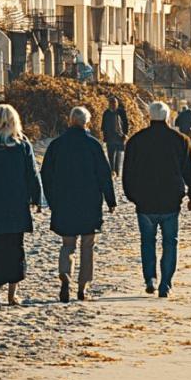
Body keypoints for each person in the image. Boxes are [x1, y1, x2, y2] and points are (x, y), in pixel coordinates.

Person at [123, 101, 191, 298]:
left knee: (147, 241)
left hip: (145, 201)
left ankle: (150, 279)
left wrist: (132, 195)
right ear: (167, 117)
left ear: (149, 116)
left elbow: (128, 173)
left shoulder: (136, 140)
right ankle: (166, 283)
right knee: (170, 242)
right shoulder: (181, 140)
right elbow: (190, 170)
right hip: (170, 201)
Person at [41, 106, 116, 302]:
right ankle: (83, 286)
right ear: (86, 122)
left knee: (68, 244)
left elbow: (46, 173)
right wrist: (110, 200)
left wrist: (51, 198)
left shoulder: (57, 144)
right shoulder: (93, 145)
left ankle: (65, 273)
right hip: (89, 201)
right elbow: (104, 174)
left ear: (70, 120)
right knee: (88, 245)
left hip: (64, 201)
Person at [0, 104, 42, 309]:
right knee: (15, 248)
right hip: (16, 204)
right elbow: (31, 172)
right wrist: (37, 198)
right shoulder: (21, 144)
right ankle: (12, 295)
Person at [100, 97, 127, 176]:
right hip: (110, 137)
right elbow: (103, 126)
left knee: (119, 154)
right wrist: (104, 136)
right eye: (112, 103)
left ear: (117, 104)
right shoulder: (106, 113)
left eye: (115, 103)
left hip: (120, 137)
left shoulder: (121, 112)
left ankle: (117, 172)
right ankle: (112, 171)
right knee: (111, 155)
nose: (114, 104)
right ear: (109, 104)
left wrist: (125, 134)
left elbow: (126, 123)